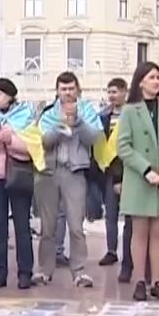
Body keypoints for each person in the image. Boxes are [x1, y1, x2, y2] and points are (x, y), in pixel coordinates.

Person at [116, 61, 159, 302]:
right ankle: (139, 280)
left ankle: (156, 281)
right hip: (140, 179)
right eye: (151, 77)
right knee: (139, 233)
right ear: (140, 82)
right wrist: (145, 170)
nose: (156, 81)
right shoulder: (129, 111)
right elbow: (124, 146)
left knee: (158, 234)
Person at [35, 72, 101, 288]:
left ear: (78, 89)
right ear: (57, 91)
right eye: (63, 89)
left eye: (71, 88)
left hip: (74, 172)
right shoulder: (48, 113)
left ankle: (79, 271)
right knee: (48, 226)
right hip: (49, 172)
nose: (67, 93)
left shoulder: (88, 110)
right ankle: (45, 270)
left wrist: (77, 122)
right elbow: (45, 141)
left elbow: (93, 138)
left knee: (76, 225)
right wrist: (61, 126)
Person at [0, 78, 36, 289]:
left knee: (22, 224)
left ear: (10, 96)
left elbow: (32, 147)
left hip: (18, 175)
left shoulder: (26, 115)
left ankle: (25, 272)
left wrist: (11, 140)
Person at [97, 77, 128, 267]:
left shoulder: (131, 115)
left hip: (128, 170)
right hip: (108, 170)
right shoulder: (103, 116)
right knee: (111, 214)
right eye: (109, 92)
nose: (111, 96)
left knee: (130, 216)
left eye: (115, 92)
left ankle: (130, 252)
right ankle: (111, 250)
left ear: (124, 92)